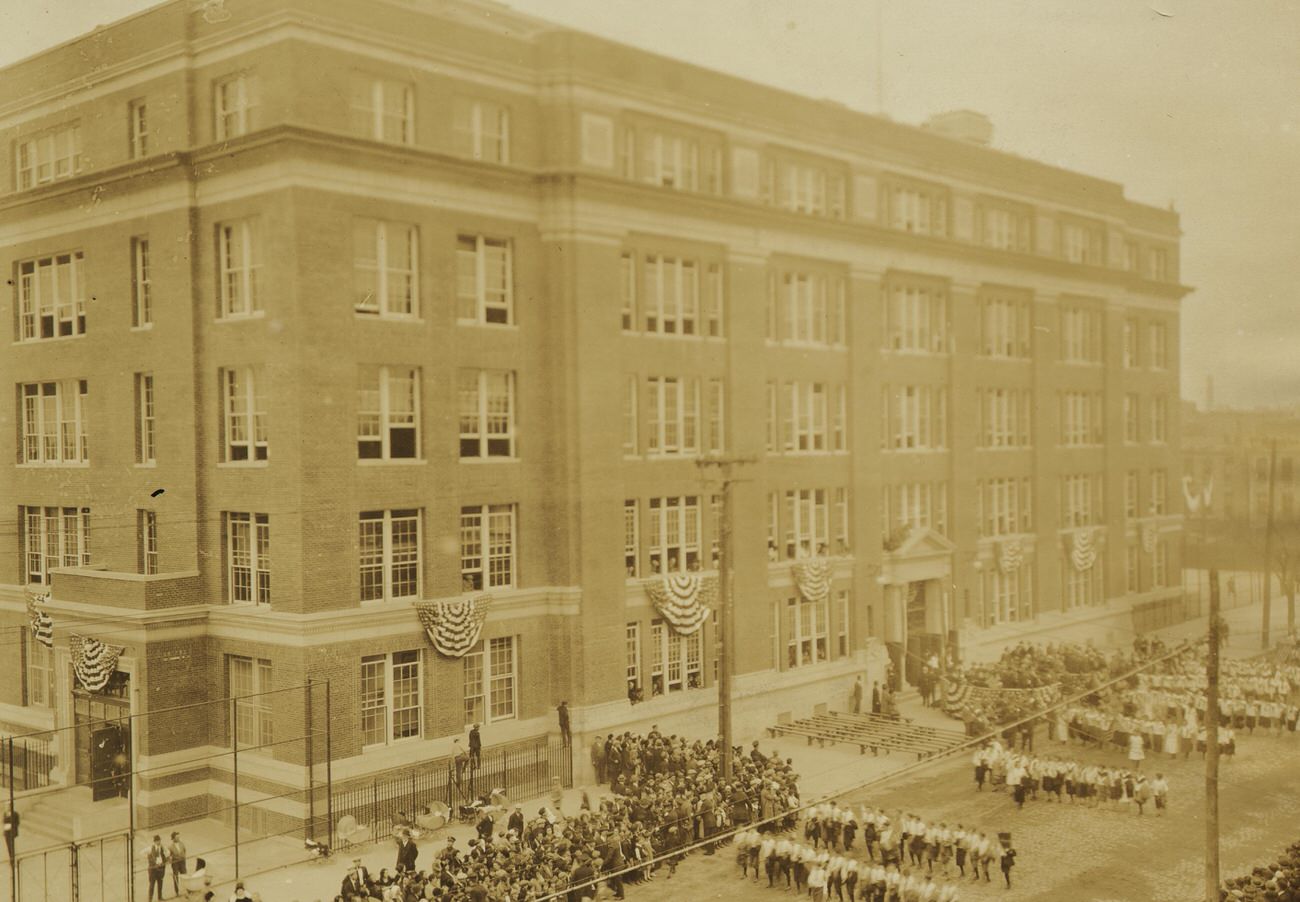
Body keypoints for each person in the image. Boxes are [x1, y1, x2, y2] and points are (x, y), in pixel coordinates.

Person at [146, 834, 169, 902]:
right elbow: (142, 853)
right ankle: (150, 899)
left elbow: (168, 853)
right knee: (152, 885)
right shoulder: (150, 848)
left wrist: (164, 849)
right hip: (153, 870)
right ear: (155, 841)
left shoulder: (162, 847)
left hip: (161, 868)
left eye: (159, 840)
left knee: (160, 883)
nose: (159, 842)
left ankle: (160, 897)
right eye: (157, 841)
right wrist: (148, 858)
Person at [168, 831, 187, 896]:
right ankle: (177, 892)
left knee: (184, 875)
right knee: (176, 877)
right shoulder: (170, 847)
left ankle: (186, 889)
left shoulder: (181, 843)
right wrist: (171, 859)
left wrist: (183, 858)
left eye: (179, 837)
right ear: (173, 838)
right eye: (177, 837)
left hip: (182, 862)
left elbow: (184, 850)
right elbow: (169, 856)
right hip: (175, 863)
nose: (178, 838)